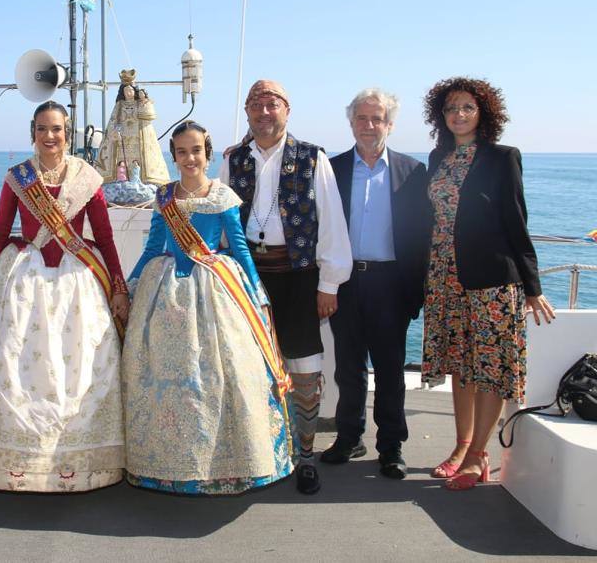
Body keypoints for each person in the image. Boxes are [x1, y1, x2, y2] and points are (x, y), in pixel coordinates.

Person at [0, 101, 129, 492]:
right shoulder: (16, 178)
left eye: (57, 129)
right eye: (42, 129)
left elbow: (106, 238)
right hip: (24, 282)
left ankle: (77, 458)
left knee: (81, 372)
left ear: (67, 132)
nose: (50, 136)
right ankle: (17, 461)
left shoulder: (87, 178)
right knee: (14, 366)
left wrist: (119, 287)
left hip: (78, 283)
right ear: (33, 132)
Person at [123, 121, 293, 495]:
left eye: (196, 150)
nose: (189, 158)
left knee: (222, 376)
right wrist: (127, 287)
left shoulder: (223, 197)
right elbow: (153, 249)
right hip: (164, 295)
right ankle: (165, 464)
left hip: (215, 291)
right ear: (173, 156)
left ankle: (225, 465)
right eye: (181, 152)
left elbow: (240, 248)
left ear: (207, 153)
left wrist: (256, 292)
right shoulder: (164, 197)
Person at [421, 76, 555, 490]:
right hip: (445, 278)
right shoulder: (437, 159)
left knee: (489, 370)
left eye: (466, 107)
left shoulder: (502, 157)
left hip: (492, 282)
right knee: (461, 367)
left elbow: (517, 222)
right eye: (450, 109)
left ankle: (479, 455)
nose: (458, 115)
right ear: (440, 117)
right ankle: (461, 446)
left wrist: (532, 287)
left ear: (483, 113)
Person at [220, 79, 352, 495]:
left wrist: (329, 283)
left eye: (271, 104)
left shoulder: (313, 159)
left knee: (304, 367)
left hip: (298, 275)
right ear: (246, 112)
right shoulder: (233, 159)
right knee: (251, 365)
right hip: (248, 275)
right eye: (255, 104)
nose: (263, 112)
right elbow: (220, 220)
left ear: (287, 110)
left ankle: (306, 456)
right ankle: (262, 453)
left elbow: (331, 223)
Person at [323, 89, 430, 479]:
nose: (369, 126)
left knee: (389, 370)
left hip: (390, 284)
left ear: (390, 124)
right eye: (362, 119)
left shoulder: (412, 171)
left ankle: (391, 447)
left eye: (377, 119)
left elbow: (421, 234)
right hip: (345, 280)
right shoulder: (331, 170)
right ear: (351, 123)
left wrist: (414, 292)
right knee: (348, 368)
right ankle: (349, 437)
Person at [95, 69, 170, 187]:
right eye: (126, 90)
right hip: (123, 139)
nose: (128, 93)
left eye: (130, 90)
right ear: (122, 92)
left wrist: (144, 101)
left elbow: (149, 116)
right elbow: (114, 120)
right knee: (122, 162)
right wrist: (115, 132)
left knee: (139, 161)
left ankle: (141, 180)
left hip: (138, 138)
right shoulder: (119, 105)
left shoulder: (139, 103)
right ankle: (121, 179)